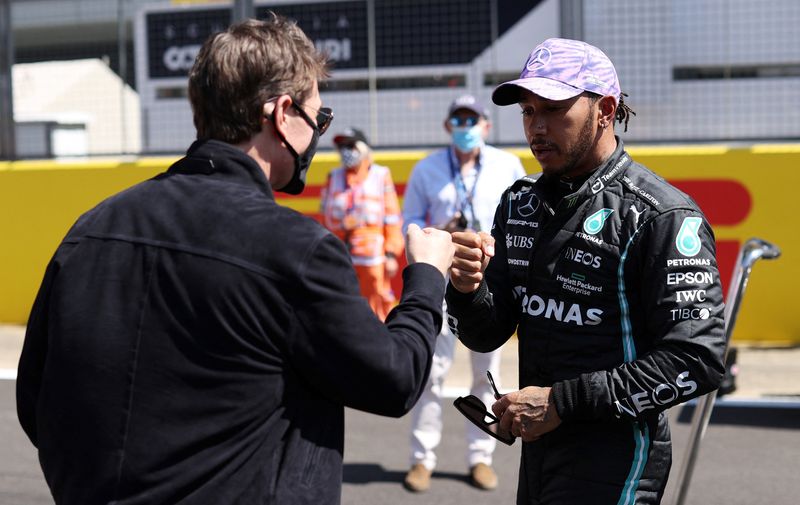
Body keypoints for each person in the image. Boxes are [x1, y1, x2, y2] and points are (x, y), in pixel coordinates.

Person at [16, 16, 454, 505]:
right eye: (318, 118)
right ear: (282, 113)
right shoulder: (296, 248)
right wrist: (426, 277)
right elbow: (394, 380)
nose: (319, 135)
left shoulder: (92, 226)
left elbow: (35, 399)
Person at [445, 38, 726, 504]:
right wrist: (465, 289)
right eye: (528, 111)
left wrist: (561, 403)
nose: (537, 127)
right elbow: (485, 334)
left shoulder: (661, 215)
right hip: (539, 457)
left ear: (605, 109)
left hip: (616, 462)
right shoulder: (520, 204)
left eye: (554, 109)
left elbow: (697, 359)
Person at [401, 94, 526, 492]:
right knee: (430, 376)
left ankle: (481, 458)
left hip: (489, 285)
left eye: (473, 120)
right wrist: (442, 229)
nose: (466, 127)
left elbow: (522, 220)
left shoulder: (508, 166)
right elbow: (410, 226)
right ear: (447, 126)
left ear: (486, 126)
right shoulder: (427, 169)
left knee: (486, 374)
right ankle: (422, 460)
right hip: (441, 280)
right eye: (459, 120)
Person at [320, 127, 403, 321]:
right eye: (341, 147)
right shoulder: (333, 177)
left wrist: (391, 254)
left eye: (350, 145)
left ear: (363, 148)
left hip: (373, 259)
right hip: (340, 255)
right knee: (342, 304)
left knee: (378, 305)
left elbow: (392, 218)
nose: (346, 151)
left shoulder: (380, 175)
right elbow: (324, 219)